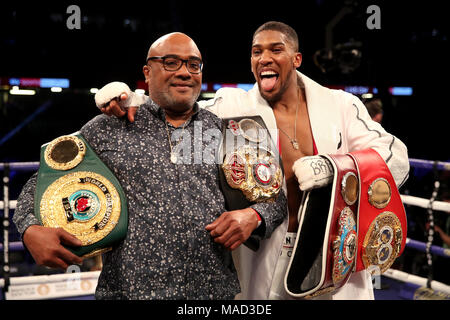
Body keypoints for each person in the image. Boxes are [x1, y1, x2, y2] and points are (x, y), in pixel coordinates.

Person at [98, 21, 410, 300]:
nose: (264, 58)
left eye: (276, 49)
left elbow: (395, 157)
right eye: (256, 52)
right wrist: (129, 98)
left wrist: (333, 168)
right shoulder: (233, 105)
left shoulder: (340, 105)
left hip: (331, 252)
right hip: (264, 256)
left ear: (296, 59)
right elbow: (181, 107)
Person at [12, 32, 287, 299]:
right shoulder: (110, 127)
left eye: (193, 64)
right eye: (171, 62)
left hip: (211, 294)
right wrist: (30, 230)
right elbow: (40, 184)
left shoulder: (221, 130)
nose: (184, 72)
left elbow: (274, 197)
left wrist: (253, 216)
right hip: (128, 293)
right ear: (147, 72)